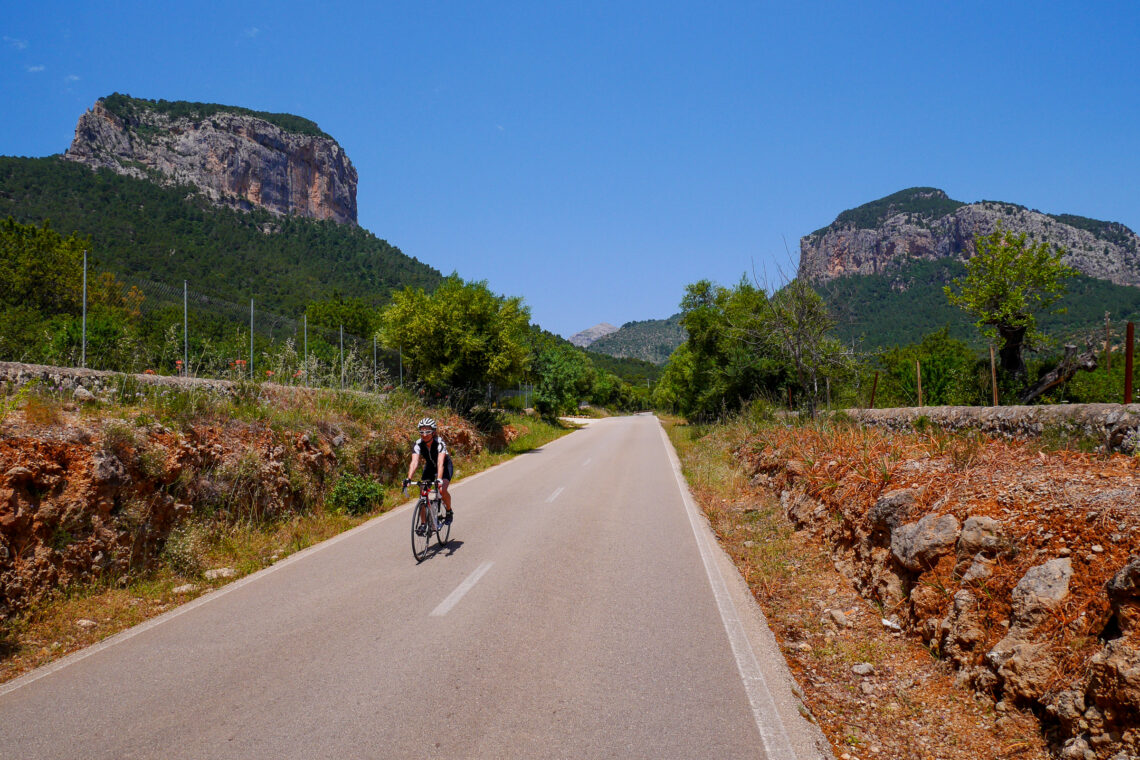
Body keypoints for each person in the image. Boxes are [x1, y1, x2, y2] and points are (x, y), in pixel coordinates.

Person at [404, 417, 454, 525]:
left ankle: (449, 511)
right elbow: (414, 462)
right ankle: (423, 524)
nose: (424, 434)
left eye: (427, 431)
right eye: (421, 431)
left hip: (445, 465)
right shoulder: (418, 444)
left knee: (442, 490)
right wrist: (409, 478)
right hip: (430, 467)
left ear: (434, 432)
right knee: (423, 494)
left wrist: (439, 480)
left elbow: (440, 463)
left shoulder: (440, 443)